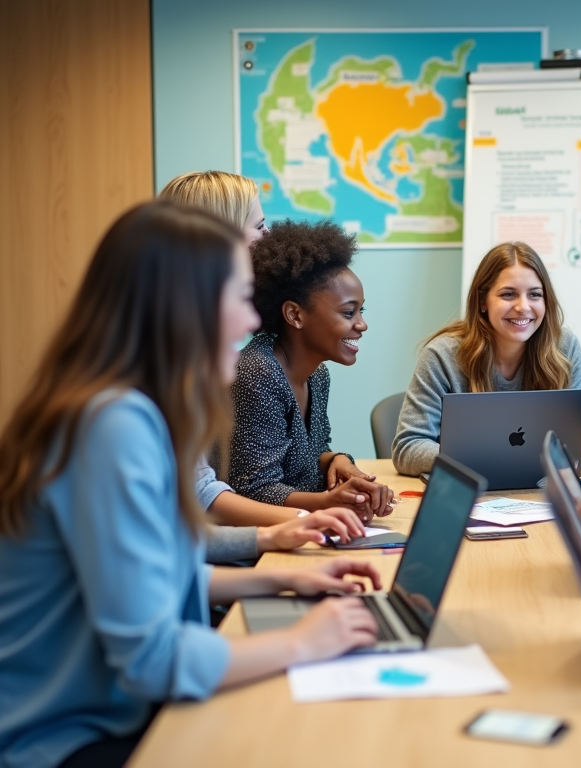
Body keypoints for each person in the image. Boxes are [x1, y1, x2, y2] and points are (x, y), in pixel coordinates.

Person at [0, 201, 382, 768]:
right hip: (63, 738)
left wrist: (289, 576)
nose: (252, 322)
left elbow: (163, 564)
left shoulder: (128, 410)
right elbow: (153, 658)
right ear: (185, 308)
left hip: (108, 710)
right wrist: (304, 642)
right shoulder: (112, 425)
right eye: (237, 298)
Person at [159, 171, 366, 557]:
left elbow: (200, 490)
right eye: (259, 226)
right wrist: (308, 518)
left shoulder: (196, 350)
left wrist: (326, 480)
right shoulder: (173, 365)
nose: (269, 238)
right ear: (216, 241)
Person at [214, 219, 394, 524]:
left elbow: (310, 454)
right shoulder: (257, 373)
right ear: (295, 314)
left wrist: (337, 461)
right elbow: (253, 490)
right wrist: (327, 503)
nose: (361, 324)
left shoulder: (317, 374)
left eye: (361, 311)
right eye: (348, 312)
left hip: (293, 527)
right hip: (252, 540)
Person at [392, 241, 581, 476]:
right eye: (508, 294)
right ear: (483, 301)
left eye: (535, 295)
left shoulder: (564, 346)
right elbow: (407, 448)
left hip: (539, 492)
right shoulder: (442, 355)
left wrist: (523, 460)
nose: (523, 307)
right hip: (468, 493)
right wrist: (485, 461)